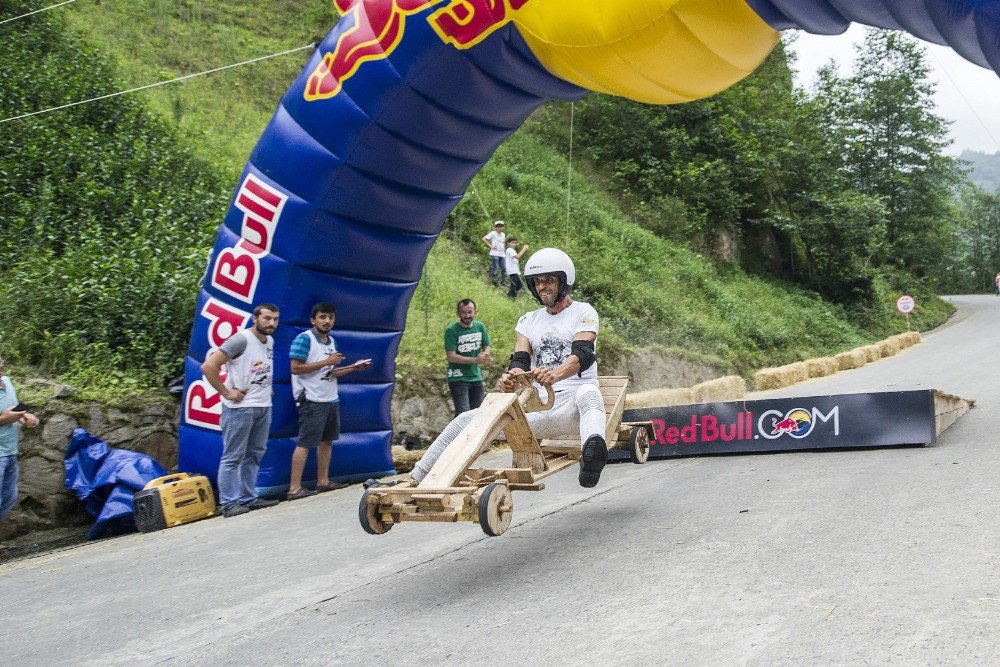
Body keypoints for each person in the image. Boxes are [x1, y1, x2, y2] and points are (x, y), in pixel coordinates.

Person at [413, 248, 608, 488]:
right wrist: (512, 378)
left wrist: (554, 375)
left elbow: (583, 353)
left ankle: (592, 457)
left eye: (549, 280)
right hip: (540, 408)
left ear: (565, 281)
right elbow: (520, 361)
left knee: (590, 394)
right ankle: (416, 477)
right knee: (466, 419)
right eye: (537, 282)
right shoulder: (528, 320)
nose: (542, 286)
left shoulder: (583, 311)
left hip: (573, 408)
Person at [201, 303, 282, 517]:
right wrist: (226, 393)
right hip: (240, 408)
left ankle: (248, 497)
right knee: (233, 455)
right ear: (255, 319)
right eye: (266, 318)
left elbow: (257, 368)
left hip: (263, 405)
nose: (271, 323)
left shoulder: (270, 340)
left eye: (275, 319)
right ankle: (229, 503)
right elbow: (209, 366)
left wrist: (267, 389)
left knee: (254, 454)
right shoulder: (241, 339)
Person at [286, 302, 373, 500]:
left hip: (329, 397)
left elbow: (330, 372)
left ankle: (323, 481)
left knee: (327, 441)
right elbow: (295, 368)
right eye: (323, 317)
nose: (327, 321)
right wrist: (326, 362)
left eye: (330, 318)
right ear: (313, 320)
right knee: (306, 442)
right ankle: (294, 488)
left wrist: (352, 368)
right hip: (311, 398)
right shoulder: (304, 339)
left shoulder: (331, 341)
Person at [0, 357, 39, 522]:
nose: (0, 365)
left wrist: (26, 416)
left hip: (10, 451)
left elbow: (15, 411)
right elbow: (7, 417)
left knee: (9, 498)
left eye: (0, 361)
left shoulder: (7, 382)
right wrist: (4, 419)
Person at [445, 299, 492, 417]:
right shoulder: (452, 330)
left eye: (469, 312)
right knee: (463, 414)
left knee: (478, 413)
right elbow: (451, 356)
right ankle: (459, 436)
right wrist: (475, 360)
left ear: (475, 312)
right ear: (458, 313)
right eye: (463, 312)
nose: (467, 316)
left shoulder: (480, 326)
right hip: (458, 377)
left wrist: (485, 355)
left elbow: (487, 345)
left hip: (476, 377)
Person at [481, 220, 507, 286]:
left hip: (502, 254)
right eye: (499, 227)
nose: (500, 228)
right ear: (496, 227)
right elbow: (484, 239)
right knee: (495, 268)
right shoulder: (493, 233)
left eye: (501, 227)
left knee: (504, 268)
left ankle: (503, 281)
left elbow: (503, 243)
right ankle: (494, 280)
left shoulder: (503, 234)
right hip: (494, 253)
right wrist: (490, 246)